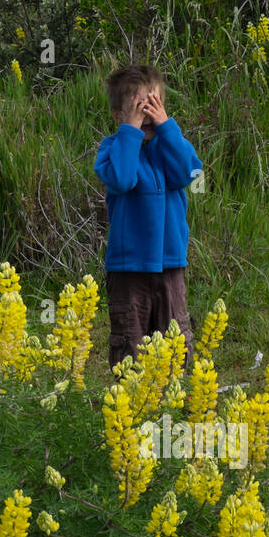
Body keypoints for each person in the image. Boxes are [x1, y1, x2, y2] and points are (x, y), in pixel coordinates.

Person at [93, 62, 203, 371]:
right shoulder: (113, 149)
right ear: (119, 117)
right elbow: (123, 179)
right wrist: (129, 130)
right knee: (132, 344)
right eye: (141, 108)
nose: (149, 115)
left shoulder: (170, 147)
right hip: (128, 270)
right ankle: (132, 411)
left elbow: (187, 173)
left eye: (155, 106)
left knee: (175, 342)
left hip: (171, 266)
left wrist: (166, 128)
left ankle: (175, 405)